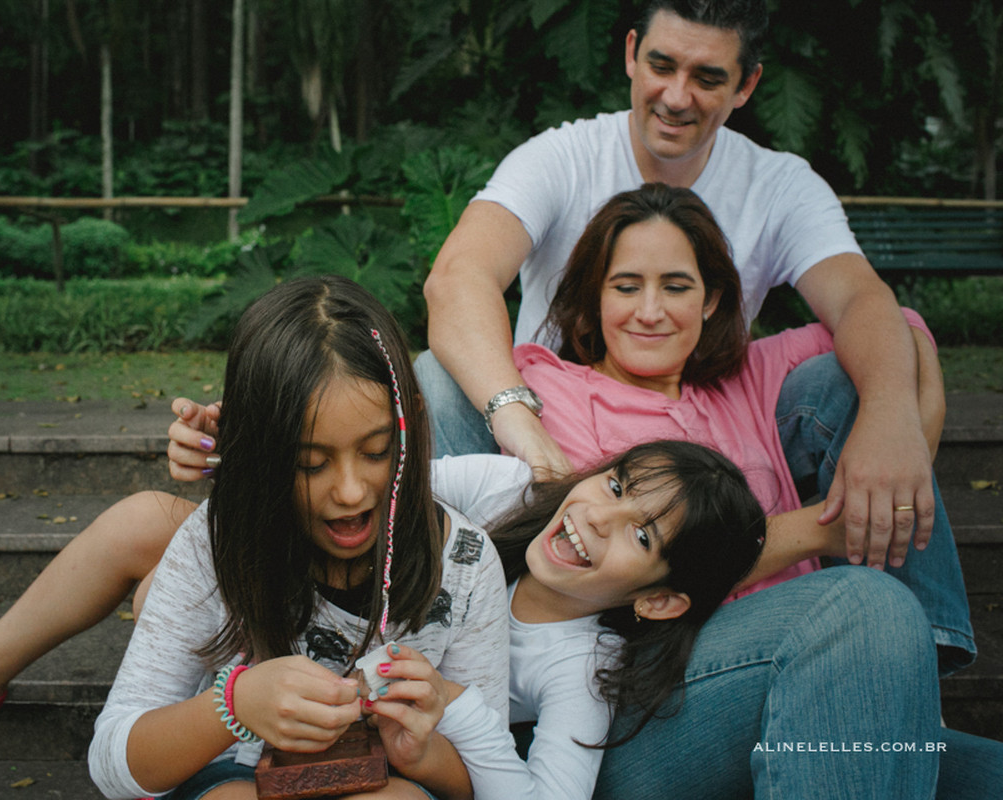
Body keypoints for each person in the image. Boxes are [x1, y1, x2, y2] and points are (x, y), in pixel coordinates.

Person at [419, 0, 938, 579]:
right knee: (438, 378)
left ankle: (921, 635)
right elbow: (458, 276)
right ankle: (455, 601)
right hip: (548, 446)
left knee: (869, 373)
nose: (675, 95)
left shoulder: (779, 184)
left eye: (707, 77)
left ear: (747, 85)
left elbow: (866, 302)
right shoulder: (563, 158)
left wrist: (895, 425)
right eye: (662, 66)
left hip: (714, 431)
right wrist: (516, 416)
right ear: (631, 55)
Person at [505, 181, 971, 672]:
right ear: (596, 296)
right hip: (694, 660)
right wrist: (825, 530)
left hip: (819, 634)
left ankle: (928, 654)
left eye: (676, 286)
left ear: (711, 299)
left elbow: (893, 320)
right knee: (858, 599)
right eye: (625, 287)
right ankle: (916, 663)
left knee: (864, 373)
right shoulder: (556, 388)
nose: (649, 311)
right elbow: (632, 564)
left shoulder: (741, 378)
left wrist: (900, 430)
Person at [84, 275, 511, 799]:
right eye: (310, 463)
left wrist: (421, 752)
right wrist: (234, 705)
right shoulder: (214, 544)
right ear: (262, 457)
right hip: (236, 778)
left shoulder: (465, 566)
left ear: (412, 430)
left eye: (377, 452)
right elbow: (112, 763)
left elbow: (494, 778)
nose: (351, 492)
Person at [434, 440, 768, 800]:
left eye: (641, 537)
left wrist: (460, 709)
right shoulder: (507, 488)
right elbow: (381, 486)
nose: (597, 516)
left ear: (658, 600)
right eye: (616, 487)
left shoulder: (581, 667)